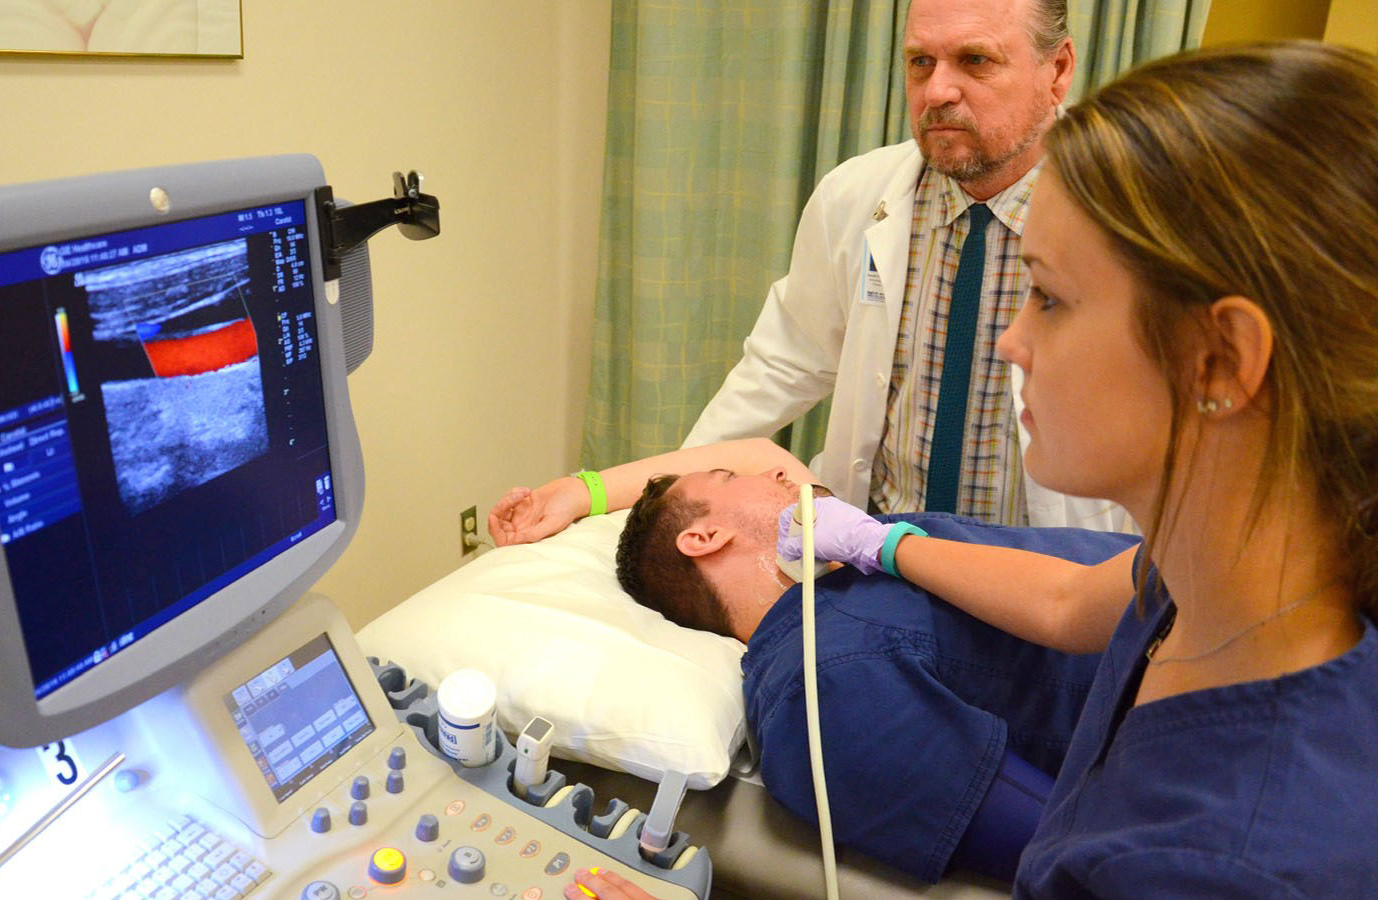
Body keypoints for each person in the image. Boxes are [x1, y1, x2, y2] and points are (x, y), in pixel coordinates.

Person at [561, 40, 1378, 899]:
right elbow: (1065, 605)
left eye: (1051, 298)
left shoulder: (1210, 865)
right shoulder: (1204, 581)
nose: (1011, 342)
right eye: (918, 62)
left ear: (1220, 363)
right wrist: (884, 544)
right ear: (706, 533)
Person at [490, 439, 1138, 884]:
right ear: (704, 538)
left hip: (1181, 597)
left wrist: (581, 492)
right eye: (730, 481)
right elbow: (1083, 849)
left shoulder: (860, 563)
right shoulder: (821, 688)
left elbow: (760, 455)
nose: (779, 471)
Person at [680, 0, 1129, 534]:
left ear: (1056, 71)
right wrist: (669, 495)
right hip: (880, 552)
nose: (937, 91)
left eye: (975, 60)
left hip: (1053, 567)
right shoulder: (855, 195)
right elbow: (782, 365)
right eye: (921, 62)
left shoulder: (1139, 211)